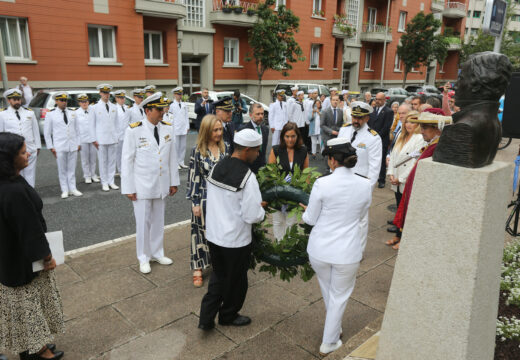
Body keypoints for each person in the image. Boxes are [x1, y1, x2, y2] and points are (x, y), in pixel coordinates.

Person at [301, 137, 371, 357]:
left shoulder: (322, 183)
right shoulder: (365, 184)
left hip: (320, 250)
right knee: (339, 295)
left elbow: (310, 219)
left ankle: (333, 332)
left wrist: (305, 210)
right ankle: (329, 340)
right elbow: (360, 216)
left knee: (330, 291)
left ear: (332, 160)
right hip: (347, 251)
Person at [0, 132, 65, 360]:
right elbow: (29, 230)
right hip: (21, 260)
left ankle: (35, 345)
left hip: (10, 255)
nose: (28, 153)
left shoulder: (11, 180)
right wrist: (46, 256)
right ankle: (35, 351)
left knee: (25, 308)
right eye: (21, 152)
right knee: (27, 307)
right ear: (8, 159)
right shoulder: (13, 190)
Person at [198, 129, 265, 331]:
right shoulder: (248, 177)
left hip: (214, 235)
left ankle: (206, 318)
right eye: (256, 151)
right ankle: (228, 315)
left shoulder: (218, 166)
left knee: (218, 277)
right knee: (237, 281)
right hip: (235, 240)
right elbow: (252, 215)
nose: (258, 154)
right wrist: (262, 210)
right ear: (246, 150)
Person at [121, 92, 180, 274]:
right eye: (159, 109)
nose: (163, 112)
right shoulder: (134, 130)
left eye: (163, 109)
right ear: (148, 110)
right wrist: (128, 188)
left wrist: (174, 181)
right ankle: (143, 257)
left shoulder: (168, 128)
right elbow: (127, 161)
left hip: (161, 184)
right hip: (142, 186)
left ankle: (157, 252)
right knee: (143, 222)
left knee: (158, 221)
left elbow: (172, 157)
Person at [392, 109, 452, 250]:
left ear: (436, 128)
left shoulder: (437, 147)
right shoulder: (432, 144)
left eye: (424, 127)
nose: (421, 131)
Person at [187, 115, 227, 287]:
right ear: (206, 131)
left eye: (220, 129)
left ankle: (219, 265)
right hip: (204, 197)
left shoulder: (226, 148)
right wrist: (195, 202)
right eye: (215, 130)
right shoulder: (197, 151)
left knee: (220, 233)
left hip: (223, 199)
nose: (219, 133)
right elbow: (193, 177)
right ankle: (198, 267)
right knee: (200, 233)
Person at [338, 102, 382, 253]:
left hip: (359, 185)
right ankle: (342, 245)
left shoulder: (373, 138)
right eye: (354, 116)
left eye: (360, 118)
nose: (356, 120)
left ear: (367, 118)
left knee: (361, 221)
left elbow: (375, 168)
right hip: (341, 181)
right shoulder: (344, 130)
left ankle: (359, 251)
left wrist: (367, 190)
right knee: (341, 216)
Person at [385, 111, 425, 247]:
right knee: (399, 208)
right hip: (395, 178)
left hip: (405, 180)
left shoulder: (419, 138)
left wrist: (401, 178)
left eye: (412, 122)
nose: (409, 124)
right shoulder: (401, 136)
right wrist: (391, 173)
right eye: (407, 121)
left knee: (406, 210)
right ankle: (397, 235)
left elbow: (415, 161)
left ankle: (403, 239)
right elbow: (393, 157)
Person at [268, 122, 309, 240]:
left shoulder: (303, 151)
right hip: (278, 194)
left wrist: (302, 192)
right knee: (278, 222)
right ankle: (279, 246)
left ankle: (289, 248)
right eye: (287, 136)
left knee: (291, 224)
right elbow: (271, 173)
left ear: (298, 137)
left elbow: (306, 174)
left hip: (295, 195)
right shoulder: (276, 150)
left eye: (293, 136)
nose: (290, 139)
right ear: (282, 137)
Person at [44, 92, 82, 199]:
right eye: (61, 100)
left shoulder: (73, 113)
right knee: (62, 169)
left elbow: (78, 130)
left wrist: (78, 143)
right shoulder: (50, 114)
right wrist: (51, 147)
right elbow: (47, 133)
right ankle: (65, 189)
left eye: (65, 100)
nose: (64, 102)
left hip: (72, 145)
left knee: (72, 168)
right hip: (59, 146)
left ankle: (73, 188)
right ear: (56, 101)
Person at [0, 88, 41, 187]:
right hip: (13, 149)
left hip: (30, 147)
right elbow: (1, 133)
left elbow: (35, 131)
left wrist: (38, 146)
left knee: (30, 173)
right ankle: (19, 193)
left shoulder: (29, 113)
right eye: (14, 99)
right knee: (17, 173)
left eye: (19, 99)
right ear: (9, 100)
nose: (18, 101)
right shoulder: (2, 114)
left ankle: (31, 192)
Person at [89, 83, 119, 192]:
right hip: (100, 139)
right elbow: (91, 125)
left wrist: (116, 137)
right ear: (100, 93)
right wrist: (94, 139)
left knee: (112, 161)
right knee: (103, 162)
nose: (106, 95)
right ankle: (104, 182)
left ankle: (111, 181)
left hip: (112, 138)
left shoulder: (114, 106)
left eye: (108, 93)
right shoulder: (94, 107)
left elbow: (116, 124)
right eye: (104, 93)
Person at [368, 92, 394, 188]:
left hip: (382, 140)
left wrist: (376, 137)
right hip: (371, 139)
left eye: (379, 99)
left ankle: (381, 179)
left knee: (382, 160)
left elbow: (386, 126)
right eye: (376, 99)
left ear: (384, 100)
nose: (377, 101)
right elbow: (370, 124)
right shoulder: (372, 110)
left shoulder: (388, 111)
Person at [75, 94, 100, 184]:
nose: (84, 103)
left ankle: (93, 174)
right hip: (82, 139)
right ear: (79, 103)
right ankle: (87, 176)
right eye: (82, 102)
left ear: (88, 102)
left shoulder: (93, 111)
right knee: (85, 159)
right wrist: (77, 142)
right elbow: (76, 128)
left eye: (85, 101)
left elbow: (96, 125)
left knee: (93, 158)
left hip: (93, 138)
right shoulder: (76, 113)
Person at [239, 103, 269, 173]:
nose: (261, 116)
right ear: (250, 115)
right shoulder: (243, 130)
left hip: (262, 169)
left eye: (262, 114)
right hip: (248, 169)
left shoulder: (266, 130)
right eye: (258, 114)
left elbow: (263, 152)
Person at [168, 87, 190, 170]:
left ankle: (181, 162)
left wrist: (187, 126)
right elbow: (170, 118)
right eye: (178, 94)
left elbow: (186, 116)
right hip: (175, 128)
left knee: (183, 146)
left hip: (183, 128)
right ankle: (176, 162)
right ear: (174, 95)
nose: (180, 96)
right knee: (176, 146)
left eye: (181, 94)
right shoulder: (172, 105)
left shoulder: (184, 104)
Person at [114, 90, 131, 176]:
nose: (122, 99)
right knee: (118, 154)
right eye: (120, 98)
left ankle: (125, 168)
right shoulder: (114, 109)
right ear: (116, 98)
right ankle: (120, 170)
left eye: (123, 98)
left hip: (126, 135)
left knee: (126, 153)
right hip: (118, 135)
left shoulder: (127, 108)